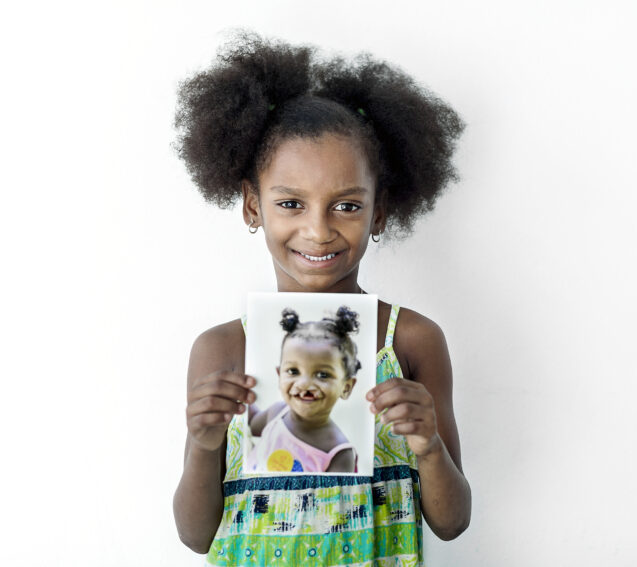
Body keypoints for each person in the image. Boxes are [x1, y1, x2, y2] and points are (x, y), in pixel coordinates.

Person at [172, 31, 471, 566]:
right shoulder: (220, 349)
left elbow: (452, 521)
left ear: (379, 212)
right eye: (290, 202)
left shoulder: (410, 339)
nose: (317, 230)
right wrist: (203, 443)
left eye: (347, 206)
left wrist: (428, 446)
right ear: (251, 206)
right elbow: (196, 536)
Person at [245, 307, 362, 474]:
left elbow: (338, 499)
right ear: (279, 375)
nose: (305, 384)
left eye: (322, 374)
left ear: (346, 387)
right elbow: (249, 420)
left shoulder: (339, 453)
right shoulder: (276, 413)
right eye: (293, 371)